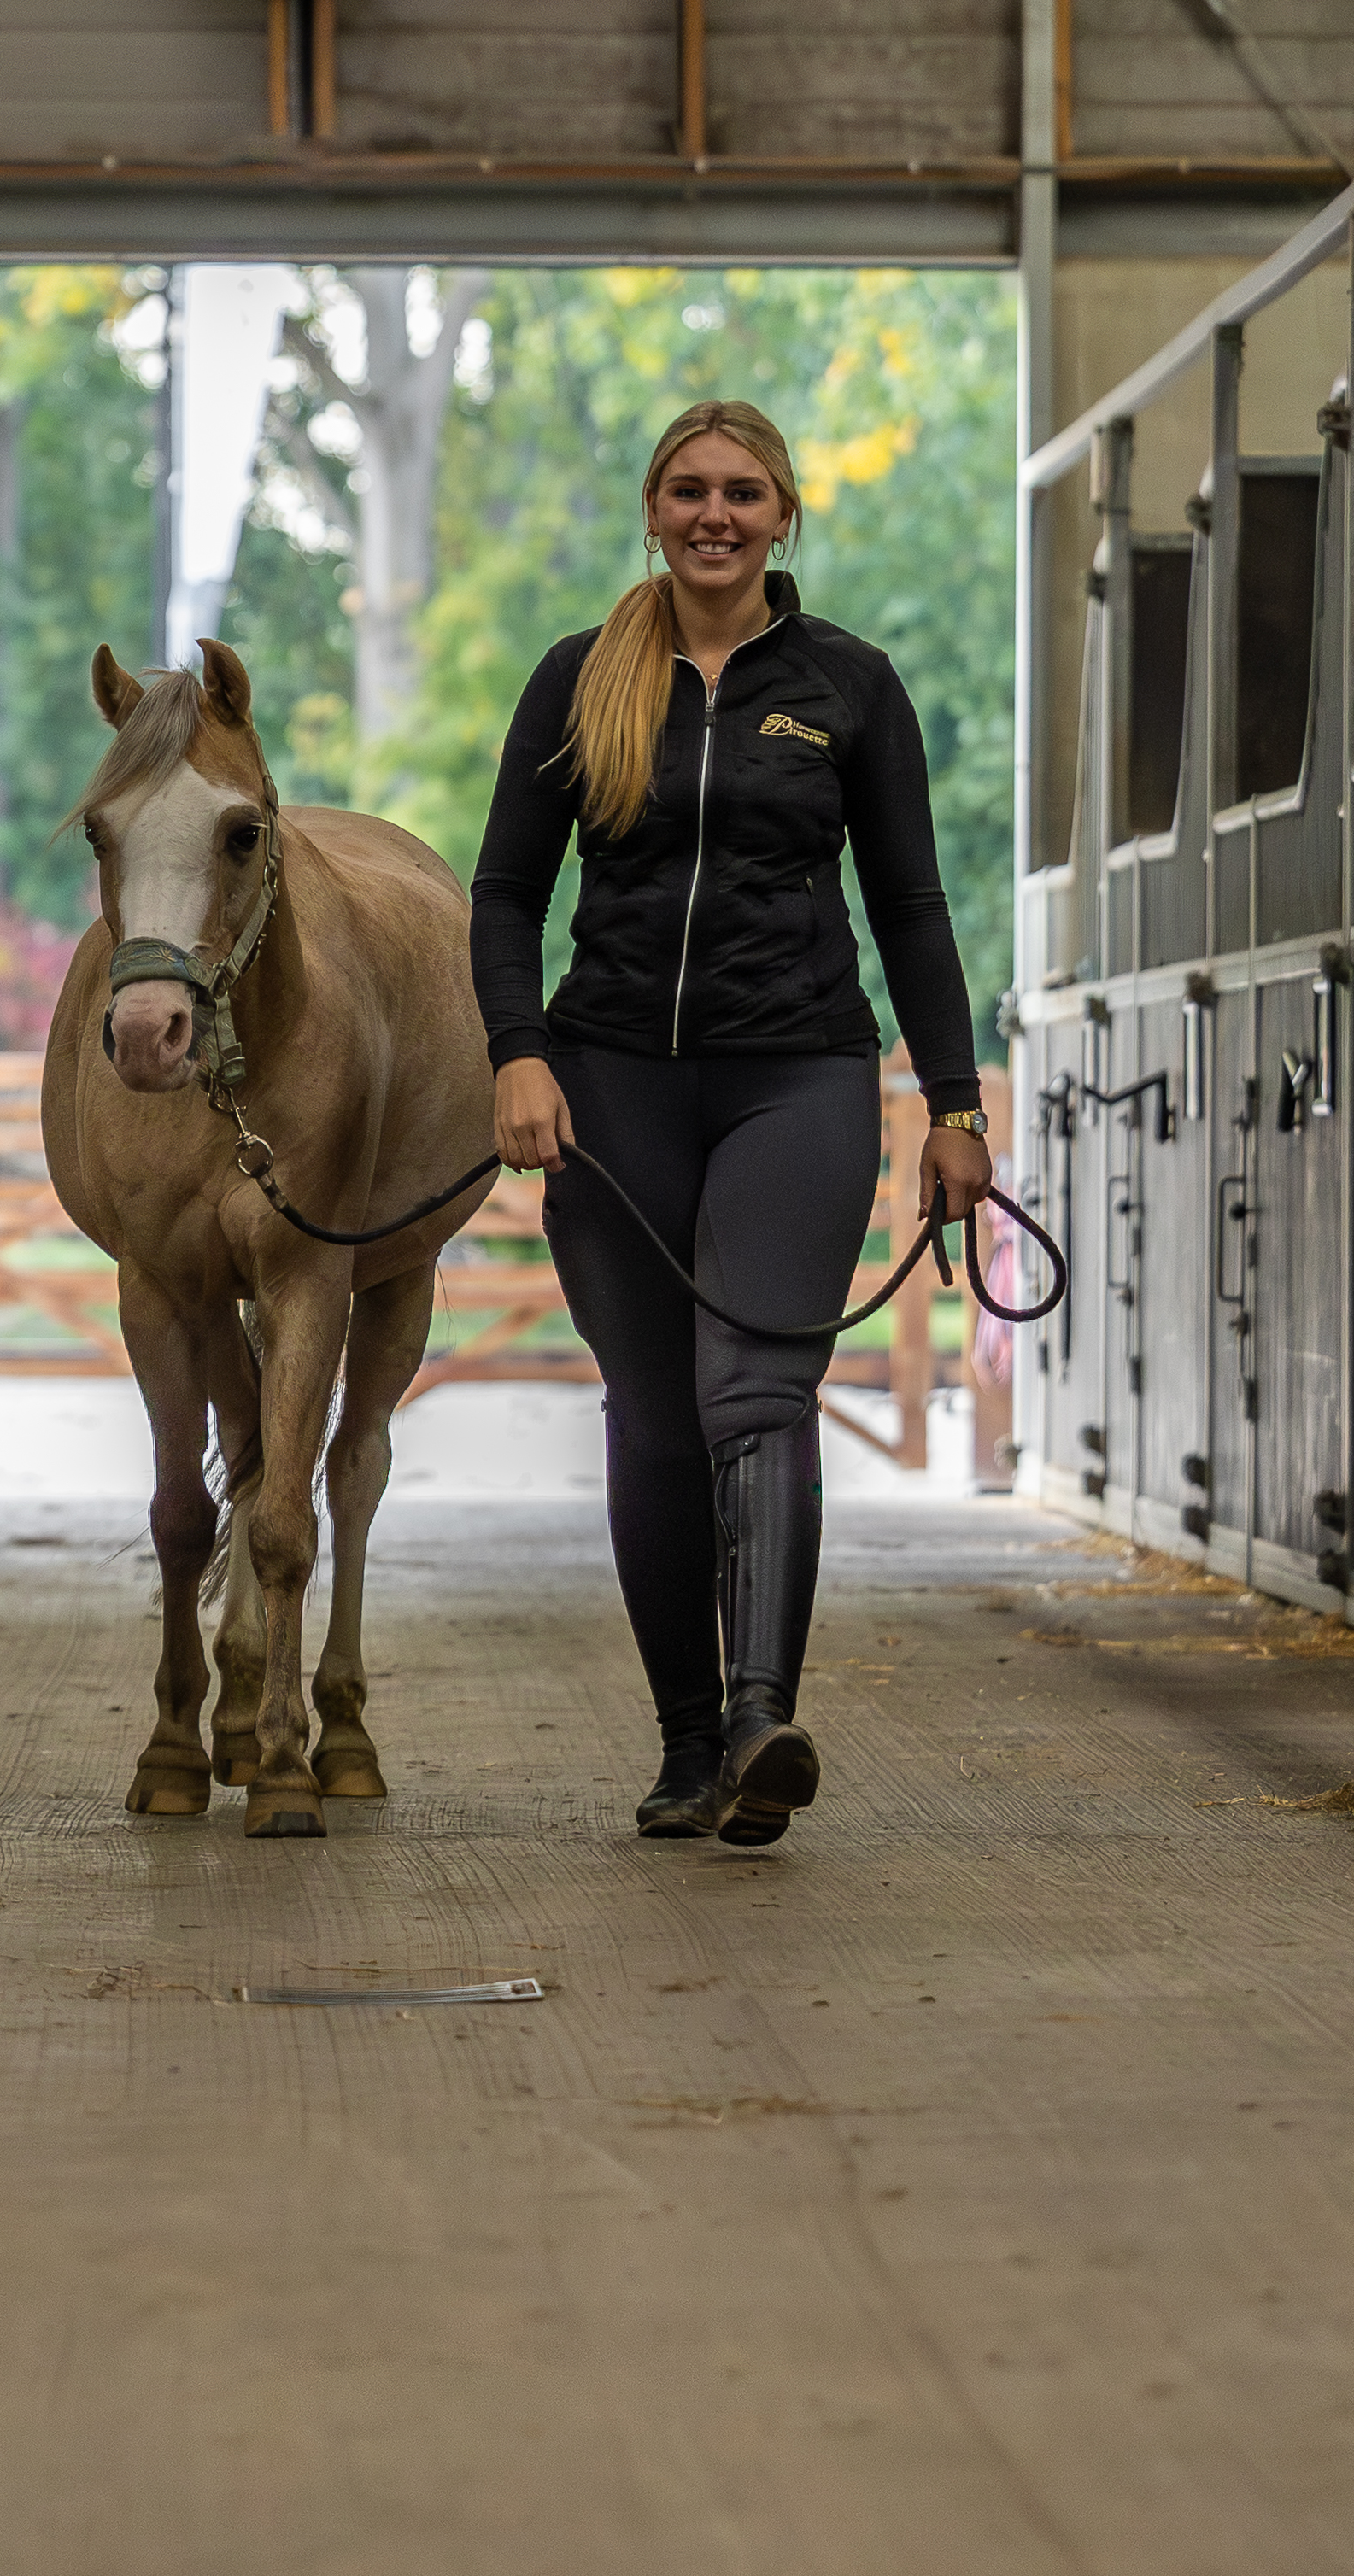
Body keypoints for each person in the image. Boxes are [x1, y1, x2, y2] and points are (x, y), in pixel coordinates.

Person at [469, 399, 991, 1847]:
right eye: (690, 489)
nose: (716, 512)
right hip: (613, 1082)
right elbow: (506, 891)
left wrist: (954, 1103)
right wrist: (520, 1053)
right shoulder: (580, 679)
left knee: (755, 1394)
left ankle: (764, 1716)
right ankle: (688, 1744)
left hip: (797, 1076)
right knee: (650, 1415)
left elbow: (912, 906)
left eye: (744, 491)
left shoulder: (849, 685)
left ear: (783, 514)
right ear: (653, 511)